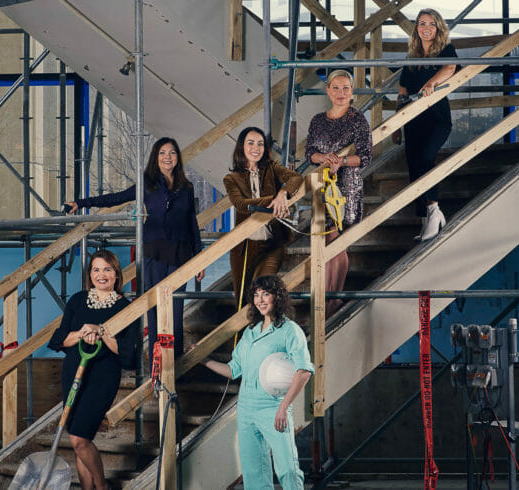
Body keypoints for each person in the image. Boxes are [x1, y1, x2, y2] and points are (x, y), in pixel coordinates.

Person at [65, 137, 204, 361]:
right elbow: (116, 198)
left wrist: (199, 260)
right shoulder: (147, 183)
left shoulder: (186, 188)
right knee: (156, 309)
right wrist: (82, 203)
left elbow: (192, 225)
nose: (167, 157)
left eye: (172, 153)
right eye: (162, 153)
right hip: (153, 253)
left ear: (178, 158)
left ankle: (175, 365)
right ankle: (156, 367)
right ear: (155, 157)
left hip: (180, 255)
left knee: (175, 311)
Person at [198, 275, 314, 489]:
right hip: (247, 409)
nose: (260, 300)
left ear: (277, 298)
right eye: (256, 295)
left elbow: (304, 371)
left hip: (274, 407)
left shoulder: (290, 331)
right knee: (254, 474)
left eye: (266, 294)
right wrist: (204, 360)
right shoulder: (250, 332)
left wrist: (284, 406)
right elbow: (233, 370)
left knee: (288, 469)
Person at [47, 250, 140, 490]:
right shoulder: (77, 301)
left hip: (102, 377)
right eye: (96, 269)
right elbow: (59, 340)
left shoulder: (125, 308)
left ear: (116, 275)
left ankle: (102, 487)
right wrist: (80, 333)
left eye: (107, 269)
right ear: (90, 274)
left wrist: (102, 332)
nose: (102, 275)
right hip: (73, 373)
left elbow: (127, 353)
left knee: (79, 439)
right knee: (80, 439)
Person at [305, 69, 372, 318]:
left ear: (352, 92)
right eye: (336, 87)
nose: (341, 93)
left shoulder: (358, 120)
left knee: (337, 241)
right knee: (325, 240)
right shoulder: (317, 120)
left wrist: (341, 161)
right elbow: (309, 152)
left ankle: (334, 298)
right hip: (323, 185)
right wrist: (324, 158)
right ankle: (327, 297)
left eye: (346, 88)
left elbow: (365, 156)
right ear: (328, 90)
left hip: (347, 186)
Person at [393, 8, 458, 241]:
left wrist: (431, 83)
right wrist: (396, 124)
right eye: (422, 23)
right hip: (412, 120)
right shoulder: (411, 57)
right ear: (416, 28)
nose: (426, 28)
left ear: (438, 27)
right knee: (414, 167)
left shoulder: (446, 50)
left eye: (431, 24)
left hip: (437, 118)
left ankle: (434, 210)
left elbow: (450, 69)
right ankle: (426, 219)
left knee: (425, 159)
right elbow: (402, 92)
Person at [223, 127, 303, 309]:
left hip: (271, 245)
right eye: (250, 143)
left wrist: (283, 193)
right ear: (241, 147)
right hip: (243, 250)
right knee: (243, 303)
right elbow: (241, 204)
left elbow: (296, 178)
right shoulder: (231, 178)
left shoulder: (272, 168)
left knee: (262, 290)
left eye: (260, 144)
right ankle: (248, 337)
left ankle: (266, 334)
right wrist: (274, 199)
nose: (255, 148)